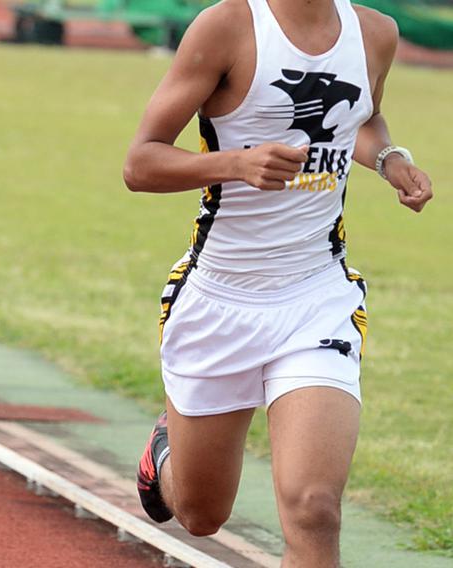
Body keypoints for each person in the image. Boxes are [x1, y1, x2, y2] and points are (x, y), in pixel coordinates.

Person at [122, 0, 432, 565]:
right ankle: (163, 458)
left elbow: (359, 120)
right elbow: (140, 163)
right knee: (200, 514)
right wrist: (234, 164)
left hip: (317, 296)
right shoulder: (226, 27)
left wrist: (389, 158)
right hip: (218, 297)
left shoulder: (375, 32)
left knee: (315, 508)